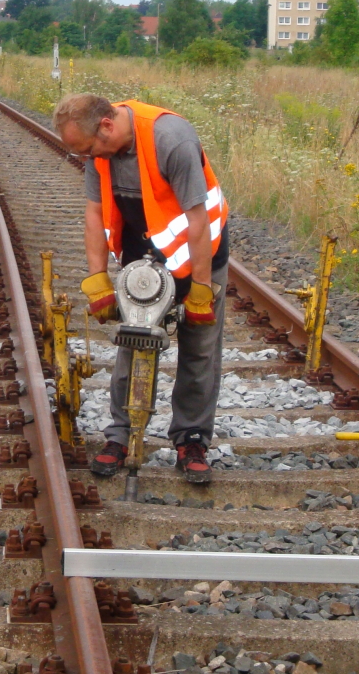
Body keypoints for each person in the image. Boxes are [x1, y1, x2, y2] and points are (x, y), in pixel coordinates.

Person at [54, 93, 229, 483]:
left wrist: (201, 289)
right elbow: (95, 212)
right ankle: (121, 435)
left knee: (200, 350)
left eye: (91, 150)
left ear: (106, 126)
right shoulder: (97, 153)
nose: (90, 159)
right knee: (132, 342)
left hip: (200, 253)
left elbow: (197, 219)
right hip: (143, 255)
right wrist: (98, 279)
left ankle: (192, 439)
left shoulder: (172, 138)